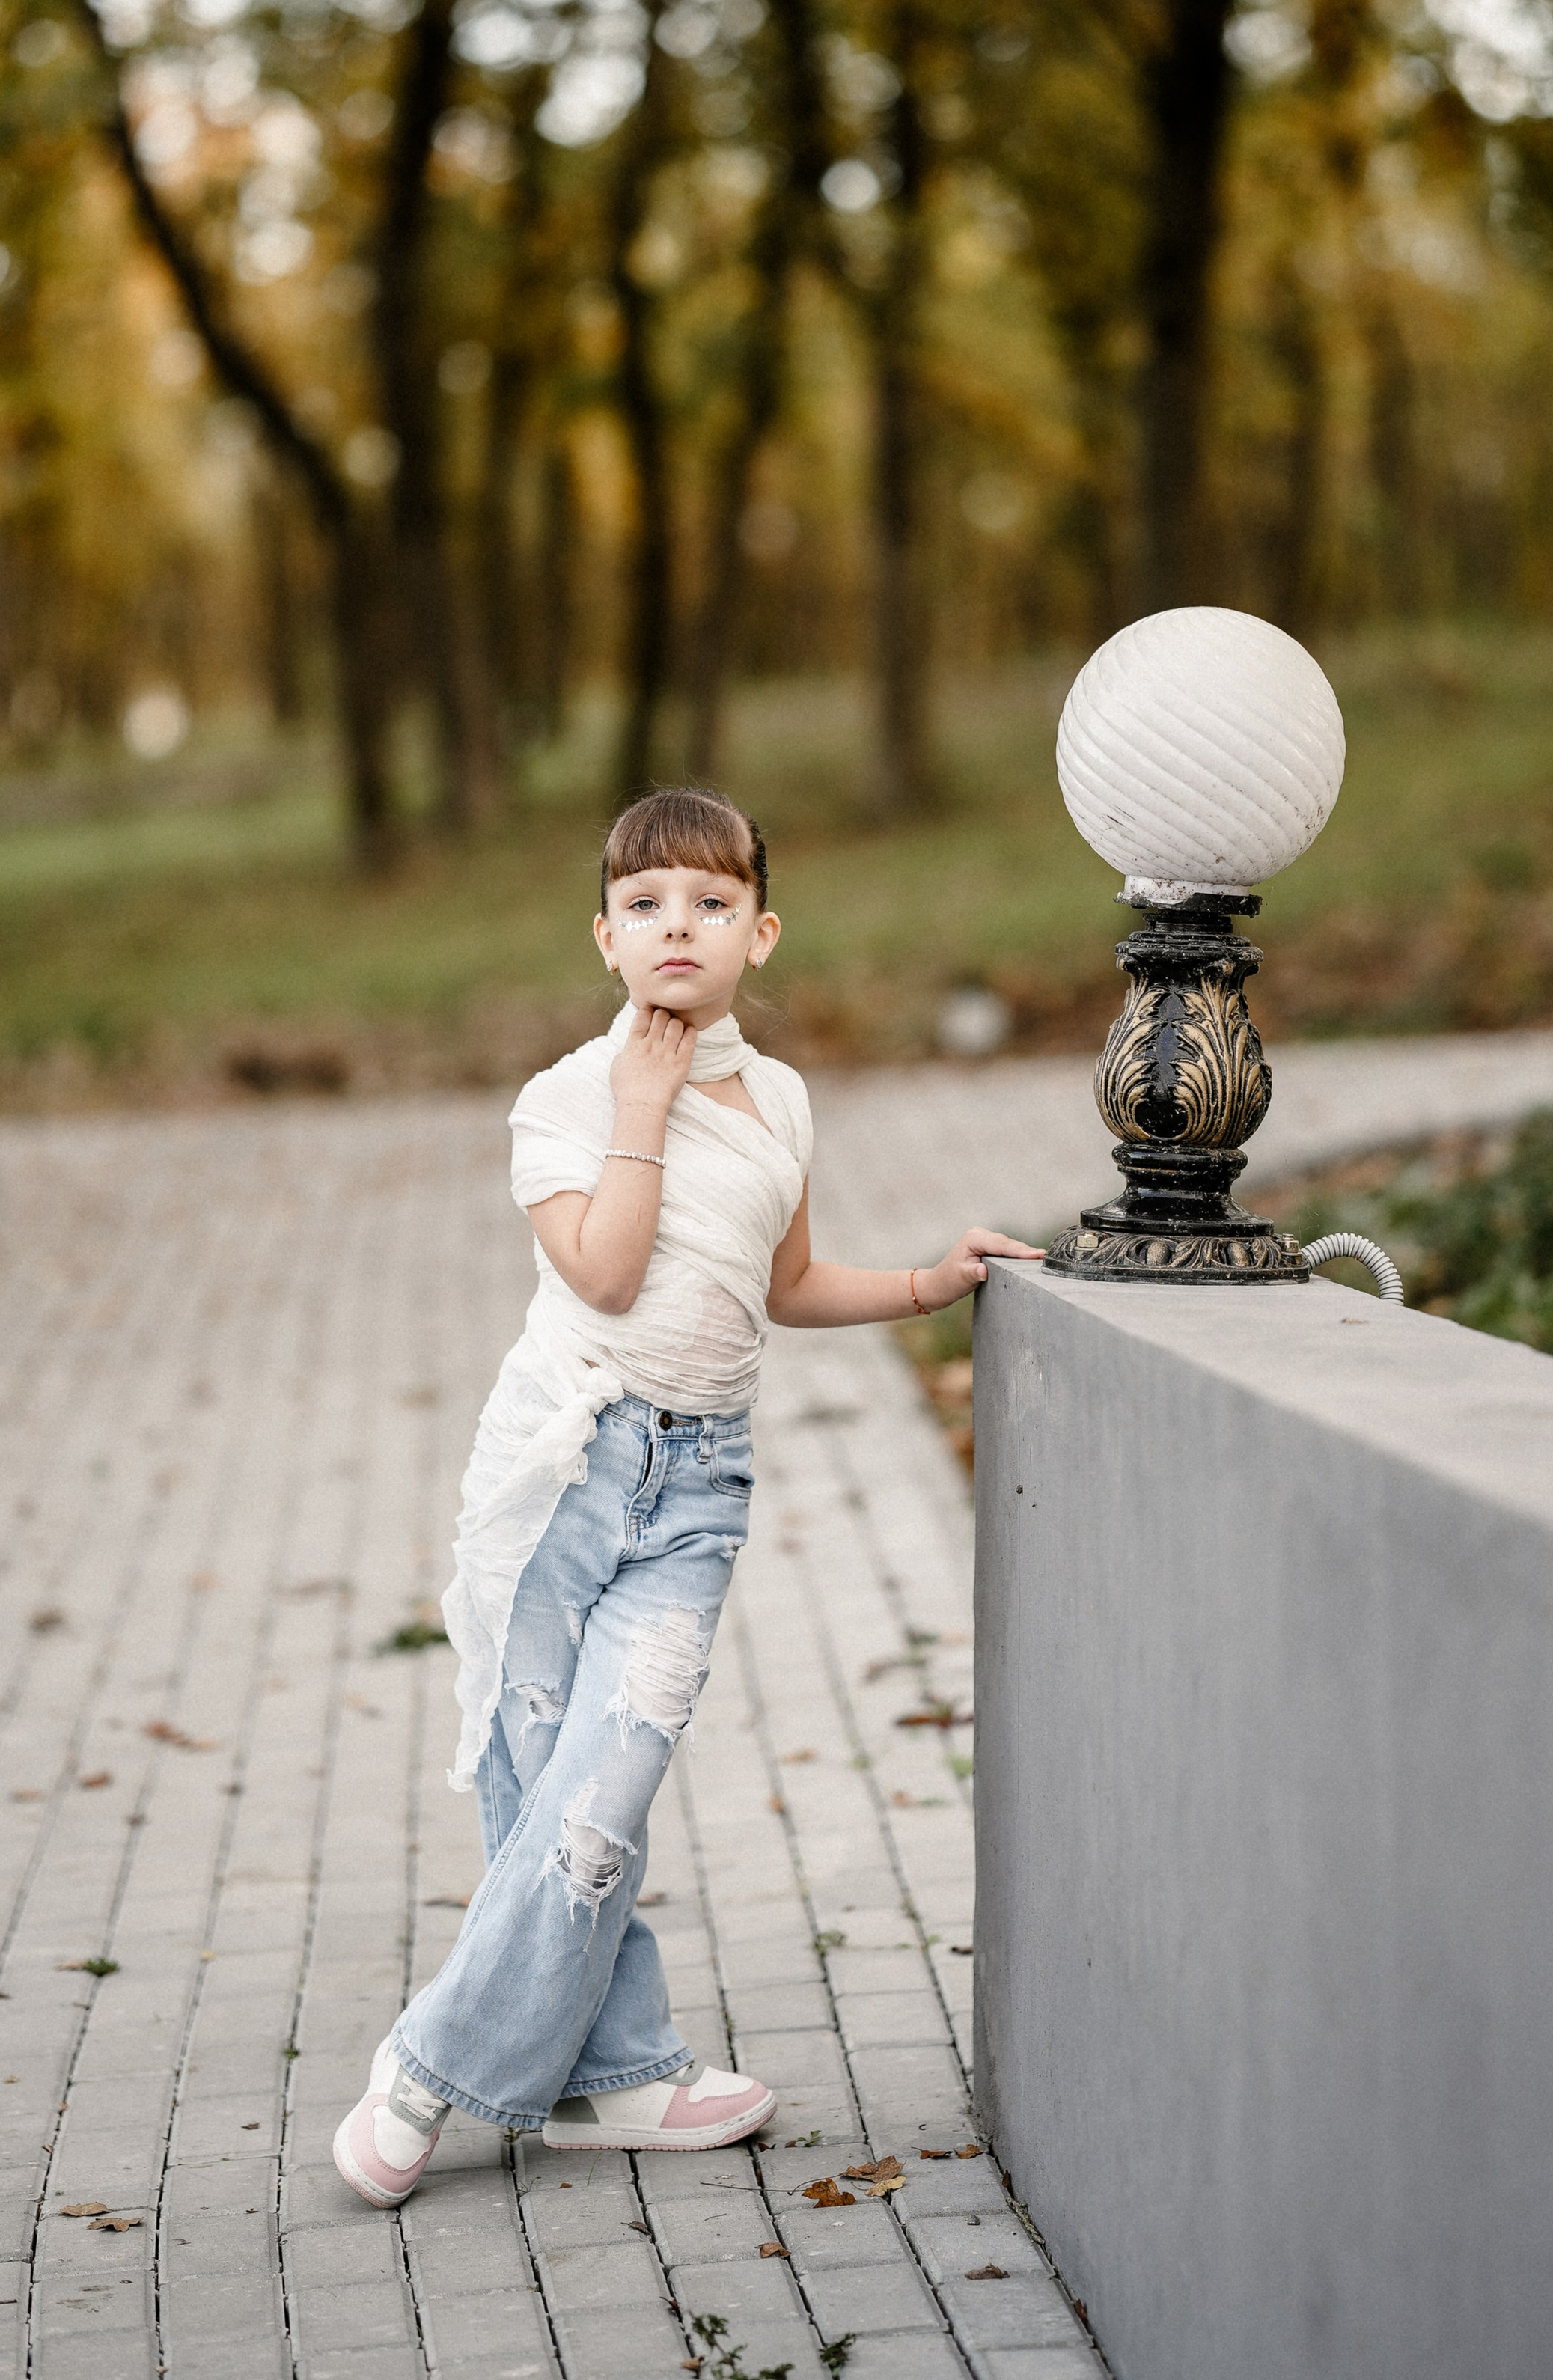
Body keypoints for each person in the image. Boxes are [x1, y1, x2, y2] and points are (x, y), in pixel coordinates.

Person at [333, 785, 1040, 2203]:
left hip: (699, 1483)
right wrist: (642, 1107)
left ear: (759, 934)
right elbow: (601, 1271)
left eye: (711, 903)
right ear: (604, 938)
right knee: (555, 1802)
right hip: (564, 1475)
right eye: (647, 904)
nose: (679, 927)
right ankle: (616, 2075)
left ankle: (431, 2065)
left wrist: (930, 1281)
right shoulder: (562, 1101)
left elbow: (780, 1287)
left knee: (604, 1791)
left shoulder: (779, 1099)